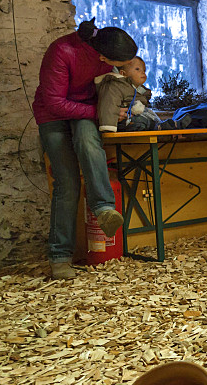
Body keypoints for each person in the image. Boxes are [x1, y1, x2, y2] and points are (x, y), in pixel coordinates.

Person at [32, 19, 133, 279]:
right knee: (66, 184)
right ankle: (60, 258)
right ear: (102, 55)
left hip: (86, 110)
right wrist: (100, 113)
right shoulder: (62, 51)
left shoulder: (106, 56)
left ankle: (103, 209)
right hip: (52, 114)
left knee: (89, 144)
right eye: (119, 64)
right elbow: (54, 103)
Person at [95, 57, 172, 132]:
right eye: (137, 69)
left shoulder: (138, 90)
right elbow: (109, 105)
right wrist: (108, 126)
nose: (142, 72)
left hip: (136, 118)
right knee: (141, 121)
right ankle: (161, 126)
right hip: (123, 121)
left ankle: (162, 126)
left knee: (148, 117)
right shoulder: (115, 85)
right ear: (123, 73)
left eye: (144, 70)